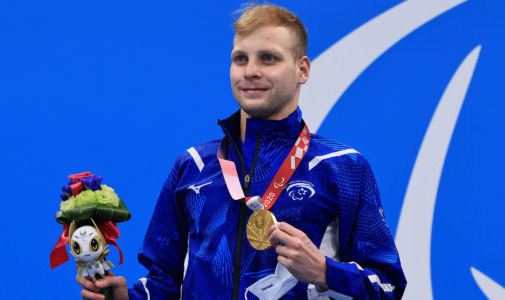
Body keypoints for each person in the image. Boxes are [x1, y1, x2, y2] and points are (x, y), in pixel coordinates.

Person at [78, 3, 406, 299]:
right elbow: (163, 282)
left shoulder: (341, 167)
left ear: (302, 69)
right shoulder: (192, 165)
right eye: (240, 59)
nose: (250, 71)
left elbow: (389, 286)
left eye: (268, 58)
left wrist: (323, 271)